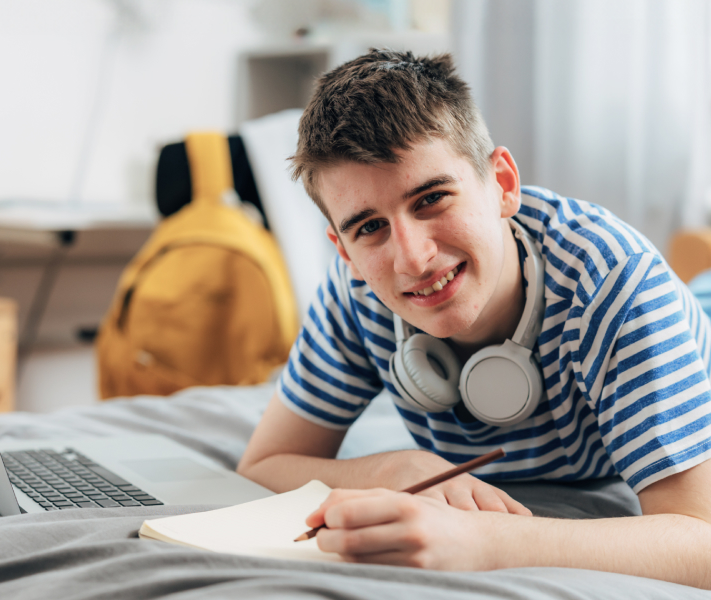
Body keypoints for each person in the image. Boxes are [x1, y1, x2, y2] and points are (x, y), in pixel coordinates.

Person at [236, 49, 711, 588]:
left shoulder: (613, 282)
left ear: (503, 184)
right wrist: (395, 468)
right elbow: (265, 461)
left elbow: (701, 538)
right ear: (343, 251)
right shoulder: (356, 292)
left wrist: (482, 543)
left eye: (432, 198)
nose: (412, 258)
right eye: (369, 228)